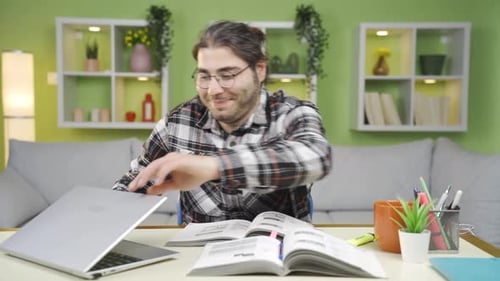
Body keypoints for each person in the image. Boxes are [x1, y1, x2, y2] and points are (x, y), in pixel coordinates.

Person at [113, 20, 332, 223]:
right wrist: (104, 217)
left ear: (260, 70)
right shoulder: (177, 123)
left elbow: (316, 156)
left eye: (227, 75)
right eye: (205, 76)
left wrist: (214, 167)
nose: (214, 90)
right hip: (195, 258)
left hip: (277, 257)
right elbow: (135, 180)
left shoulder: (293, 113)